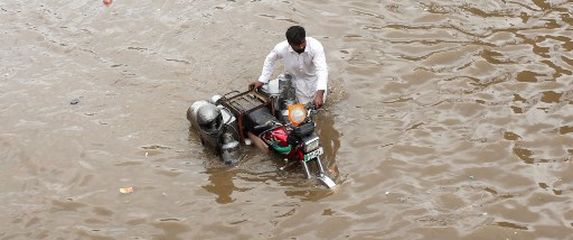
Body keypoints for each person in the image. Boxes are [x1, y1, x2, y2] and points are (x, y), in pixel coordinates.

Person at [250, 26, 328, 108]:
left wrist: (320, 93)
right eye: (297, 45)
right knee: (293, 108)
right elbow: (269, 60)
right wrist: (262, 79)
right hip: (292, 80)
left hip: (313, 81)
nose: (301, 46)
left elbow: (322, 70)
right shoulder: (281, 48)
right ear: (289, 43)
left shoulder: (315, 47)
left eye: (302, 43)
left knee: (316, 107)